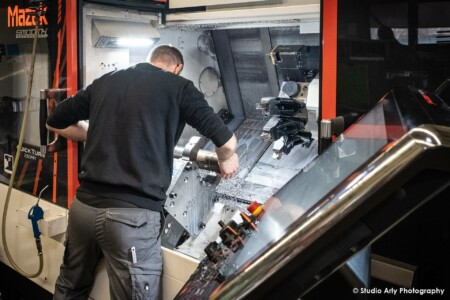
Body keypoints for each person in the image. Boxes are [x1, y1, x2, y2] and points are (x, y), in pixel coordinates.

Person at [46, 44, 239, 300]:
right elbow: (226, 143)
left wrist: (93, 133)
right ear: (178, 68)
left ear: (149, 60)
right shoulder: (178, 87)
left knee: (69, 288)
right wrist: (227, 160)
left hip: (84, 209)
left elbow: (54, 120)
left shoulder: (108, 80)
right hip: (131, 220)